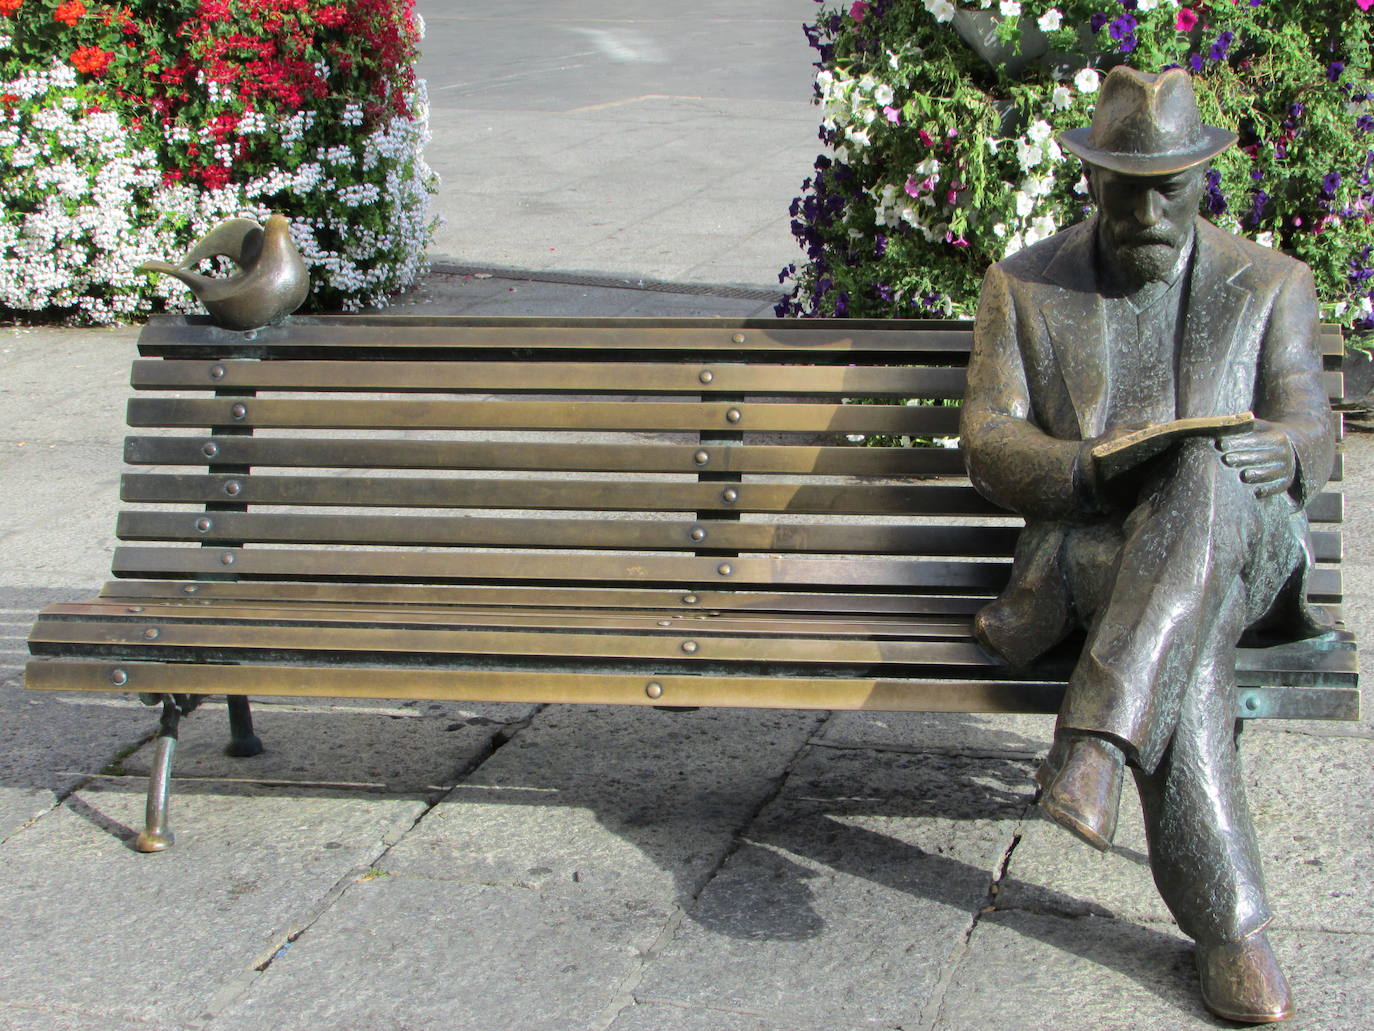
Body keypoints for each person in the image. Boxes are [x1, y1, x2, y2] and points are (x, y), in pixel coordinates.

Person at [961, 66, 1334, 1024]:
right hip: (1095, 559)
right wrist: (1085, 471)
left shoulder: (1273, 283)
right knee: (1187, 643)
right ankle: (1231, 936)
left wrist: (1279, 448)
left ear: (1203, 179)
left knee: (1205, 477)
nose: (1146, 208)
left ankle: (1094, 740)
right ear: (1091, 182)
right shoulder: (1024, 285)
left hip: (1244, 549)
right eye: (1126, 185)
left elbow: (1311, 426)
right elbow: (989, 442)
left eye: (1168, 185)